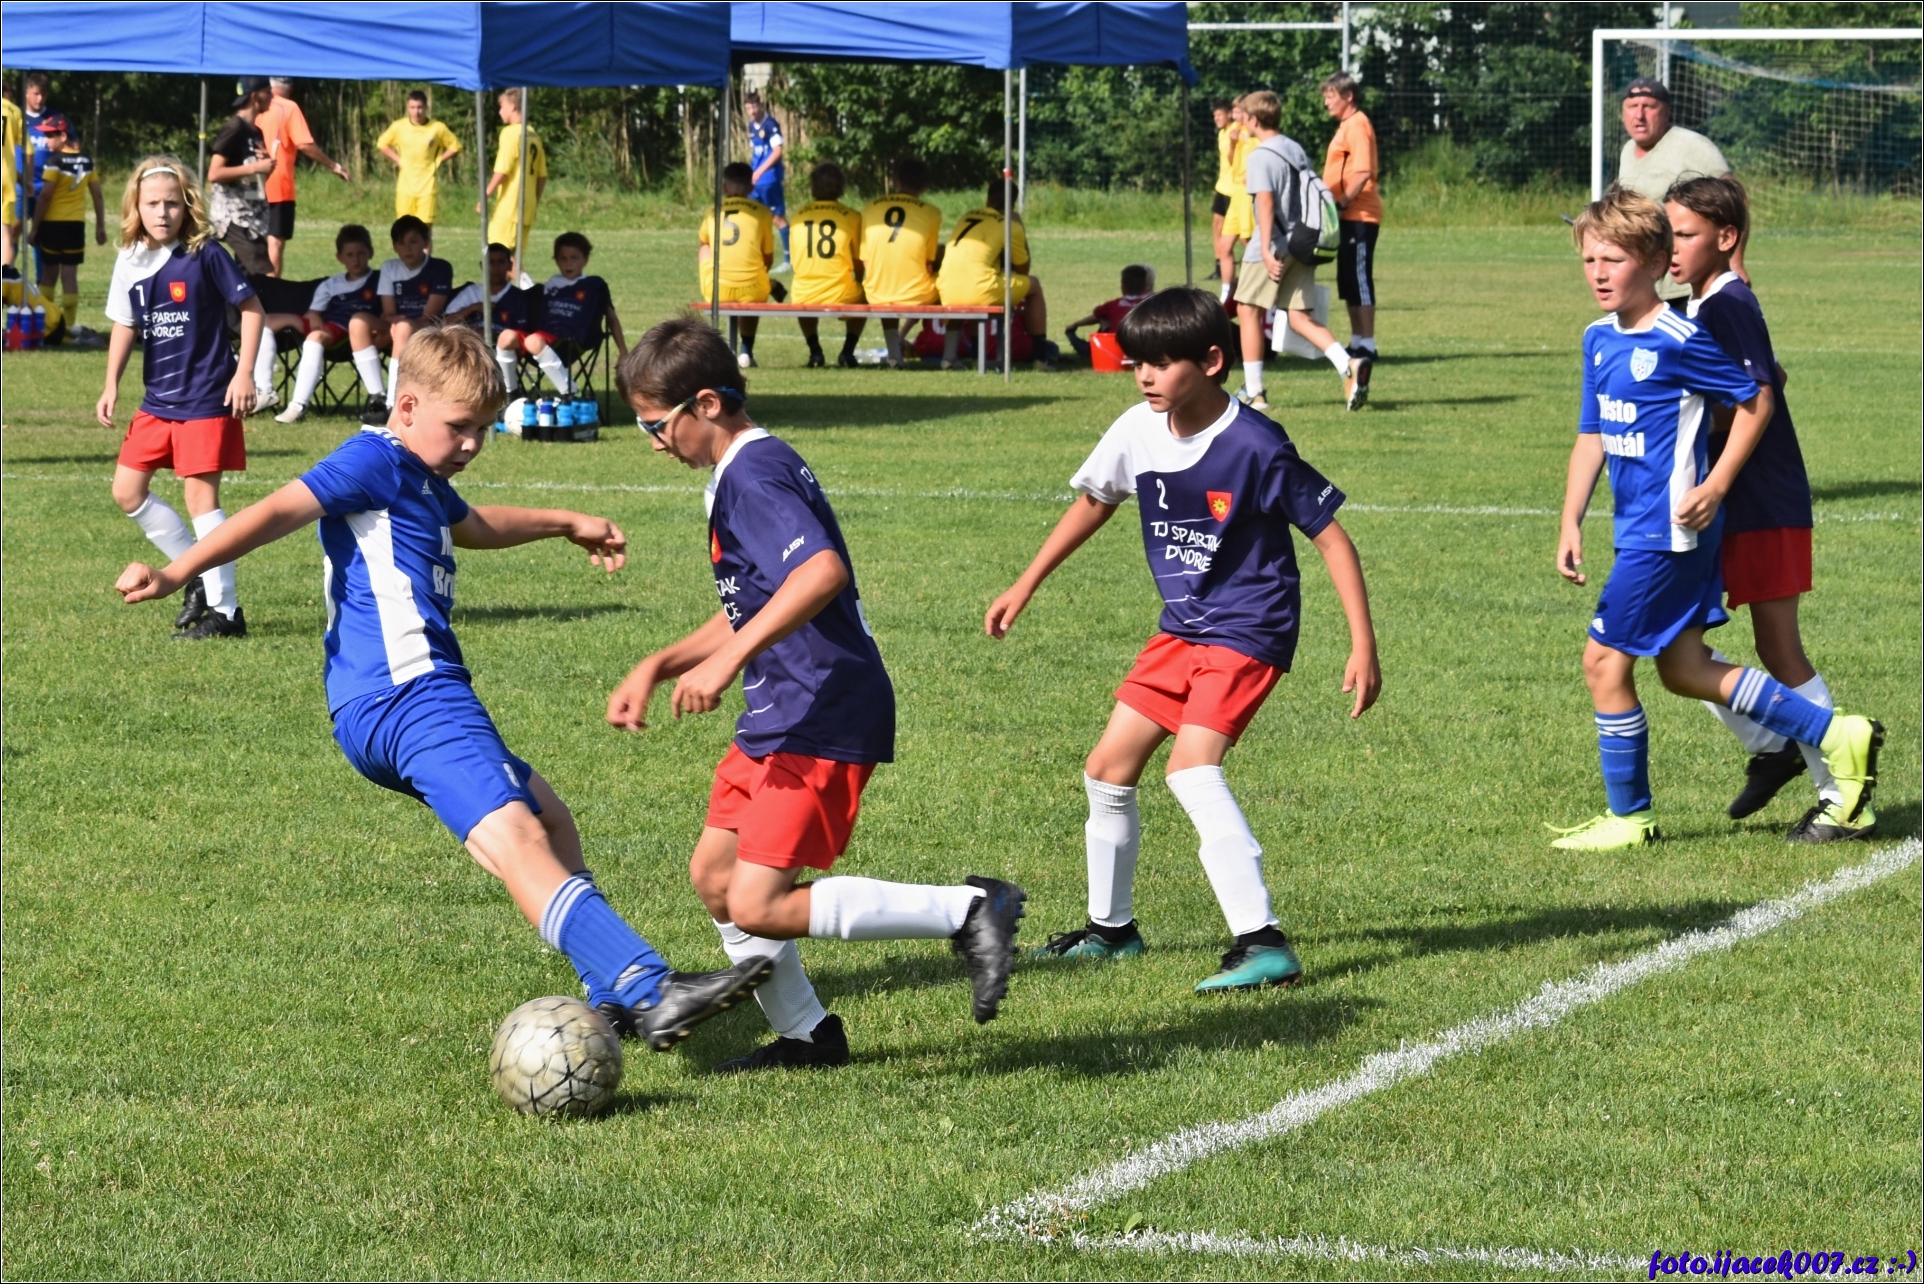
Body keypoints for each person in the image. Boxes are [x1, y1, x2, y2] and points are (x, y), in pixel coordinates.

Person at [114, 324, 774, 1046]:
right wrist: (176, 573)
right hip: (409, 693)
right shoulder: (372, 458)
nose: (471, 444)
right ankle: (647, 986)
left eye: (483, 430)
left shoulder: (419, 478)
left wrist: (566, 523)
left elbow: (474, 525)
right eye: (459, 427)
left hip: (385, 705)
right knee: (520, 833)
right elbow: (276, 510)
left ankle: (609, 991)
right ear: (406, 408)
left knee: (549, 819)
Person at [606, 317, 1028, 1071]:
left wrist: (727, 662)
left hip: (823, 704)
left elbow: (820, 573)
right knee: (716, 877)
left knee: (758, 902)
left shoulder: (753, 474)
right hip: (782, 704)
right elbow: (756, 600)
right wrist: (663, 662)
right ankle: (808, 1034)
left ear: (706, 404)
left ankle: (970, 910)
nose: (654, 443)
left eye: (655, 425)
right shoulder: (737, 472)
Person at [986, 287, 1379, 991]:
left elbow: (1332, 539)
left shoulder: (1256, 444)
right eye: (1137, 362)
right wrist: (1026, 582)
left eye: (1162, 364)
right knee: (1107, 770)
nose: (1145, 376)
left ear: (1212, 362)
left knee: (1192, 770)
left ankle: (1263, 943)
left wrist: (1363, 644)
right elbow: (1096, 501)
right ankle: (1111, 933)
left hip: (1249, 626)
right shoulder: (1137, 428)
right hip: (1184, 627)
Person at [1548, 186, 1880, 851]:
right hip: (1637, 529)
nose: (1599, 274)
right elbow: (1592, 433)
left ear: (1653, 261)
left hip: (1669, 534)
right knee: (1683, 668)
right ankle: (1832, 734)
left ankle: (1631, 818)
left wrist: (1716, 482)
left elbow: (1758, 398)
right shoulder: (1597, 339)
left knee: (1603, 663)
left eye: (1613, 259)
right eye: (1589, 261)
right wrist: (1570, 518)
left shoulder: (1679, 337)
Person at [1664, 176, 1861, 842]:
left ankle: (1842, 794)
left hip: (1761, 500)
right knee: (1674, 638)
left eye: (1685, 234)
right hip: (1721, 505)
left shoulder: (1729, 303)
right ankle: (1772, 742)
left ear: (1726, 238)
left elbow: (1757, 394)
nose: (1671, 247)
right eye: (1667, 233)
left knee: (1778, 647)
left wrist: (1700, 447)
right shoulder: (1700, 303)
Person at [97, 156, 265, 641]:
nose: (163, 212)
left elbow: (252, 309)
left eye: (172, 203)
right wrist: (111, 384)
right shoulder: (130, 259)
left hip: (207, 397)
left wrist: (245, 373)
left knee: (200, 498)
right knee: (127, 491)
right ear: (136, 207)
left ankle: (227, 613)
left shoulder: (205, 253)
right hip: (158, 401)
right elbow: (125, 323)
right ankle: (195, 574)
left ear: (187, 204)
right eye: (152, 203)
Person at [1234, 90, 1358, 413]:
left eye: (1244, 116)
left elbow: (1265, 202)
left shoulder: (1260, 156)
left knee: (1248, 309)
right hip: (1302, 240)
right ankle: (1348, 365)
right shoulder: (1294, 148)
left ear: (1254, 119)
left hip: (1274, 243)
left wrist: (1264, 248)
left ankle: (1254, 392)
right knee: (1299, 316)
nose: (1241, 120)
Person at [1616, 77, 1742, 303]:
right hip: (1646, 282)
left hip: (1687, 285)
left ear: (1667, 112)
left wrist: (1735, 260)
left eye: (1649, 107)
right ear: (1623, 113)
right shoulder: (1627, 150)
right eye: (1633, 106)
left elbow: (1736, 197)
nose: (1639, 115)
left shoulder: (1691, 145)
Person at [934, 180, 1054, 371]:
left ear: (988, 198)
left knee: (973, 285)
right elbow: (1023, 269)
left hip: (946, 287)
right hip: (979, 290)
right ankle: (1040, 356)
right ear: (1012, 204)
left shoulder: (967, 216)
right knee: (1034, 285)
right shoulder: (1009, 225)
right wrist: (1019, 227)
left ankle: (958, 357)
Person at [273, 224, 385, 424]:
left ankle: (380, 399)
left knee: (331, 331)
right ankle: (292, 403)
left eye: (361, 253)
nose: (356, 259)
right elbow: (314, 312)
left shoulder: (380, 280)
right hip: (335, 330)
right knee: (304, 333)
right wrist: (315, 316)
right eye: (350, 255)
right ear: (339, 257)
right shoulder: (331, 284)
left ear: (371, 253)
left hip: (365, 335)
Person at [256, 78, 351, 277]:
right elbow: (304, 144)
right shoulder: (288, 108)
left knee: (254, 241)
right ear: (290, 87)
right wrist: (334, 166)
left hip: (252, 182)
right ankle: (270, 290)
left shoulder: (256, 104)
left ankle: (252, 288)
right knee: (275, 241)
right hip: (278, 183)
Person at [1321, 72, 1379, 386]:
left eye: (1331, 96)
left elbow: (1362, 171)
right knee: (1347, 279)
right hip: (1345, 216)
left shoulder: (1357, 124)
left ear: (1348, 96)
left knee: (1359, 277)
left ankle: (1368, 342)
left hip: (1359, 214)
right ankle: (1357, 340)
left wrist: (1342, 203)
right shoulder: (1346, 126)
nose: (1326, 102)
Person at [368, 214, 453, 424]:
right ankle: (377, 396)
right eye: (401, 243)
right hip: (396, 326)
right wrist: (395, 324)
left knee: (404, 328)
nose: (408, 248)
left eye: (413, 242)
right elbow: (388, 312)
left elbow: (429, 316)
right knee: (358, 323)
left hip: (428, 329)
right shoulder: (389, 267)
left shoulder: (440, 268)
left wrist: (399, 325)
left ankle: (391, 404)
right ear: (394, 246)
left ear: (426, 242)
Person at [859, 157, 942, 369]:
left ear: (896, 180)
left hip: (876, 293)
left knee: (887, 288)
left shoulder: (870, 208)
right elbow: (929, 262)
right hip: (916, 294)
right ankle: (950, 354)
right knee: (947, 284)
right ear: (926, 186)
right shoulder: (932, 213)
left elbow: (865, 260)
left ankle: (894, 353)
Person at [522, 230, 626, 397]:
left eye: (574, 258)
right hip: (543, 338)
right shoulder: (550, 285)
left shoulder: (594, 286)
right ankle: (509, 395)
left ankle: (571, 393)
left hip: (571, 342)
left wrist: (623, 351)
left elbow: (611, 318)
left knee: (533, 340)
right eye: (563, 259)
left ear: (585, 259)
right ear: (556, 261)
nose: (568, 263)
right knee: (506, 338)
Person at [28, 113, 105, 335]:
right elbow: (97, 195)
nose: (46, 141)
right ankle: (69, 326)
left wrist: (35, 227)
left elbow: (45, 196)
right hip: (75, 226)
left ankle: (46, 324)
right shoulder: (87, 161)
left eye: (50, 136)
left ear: (63, 136)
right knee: (70, 276)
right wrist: (100, 225)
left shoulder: (54, 163)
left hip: (53, 224)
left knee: (49, 275)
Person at [699, 162, 775, 370]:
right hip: (753, 289)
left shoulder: (713, 211)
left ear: (724, 187)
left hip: (717, 289)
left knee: (705, 246)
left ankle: (718, 350)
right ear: (751, 187)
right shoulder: (762, 213)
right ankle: (746, 351)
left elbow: (703, 241)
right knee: (756, 273)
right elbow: (768, 257)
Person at [789, 161, 865, 368]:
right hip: (841, 293)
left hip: (804, 292)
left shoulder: (798, 216)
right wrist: (860, 282)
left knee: (803, 296)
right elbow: (859, 260)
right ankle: (847, 352)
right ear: (841, 187)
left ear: (813, 187)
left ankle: (815, 352)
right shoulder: (852, 217)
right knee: (866, 295)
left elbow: (795, 261)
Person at [206, 78, 276, 276]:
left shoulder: (255, 131)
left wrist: (266, 165)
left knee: (246, 278)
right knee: (264, 272)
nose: (272, 96)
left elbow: (255, 174)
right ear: (255, 96)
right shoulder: (234, 128)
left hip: (253, 215)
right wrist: (255, 167)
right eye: (268, 91)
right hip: (234, 216)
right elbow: (214, 173)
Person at [481, 89, 546, 274]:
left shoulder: (510, 133)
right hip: (526, 207)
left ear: (512, 106)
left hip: (510, 207)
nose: (500, 111)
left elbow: (503, 170)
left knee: (496, 256)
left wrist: (485, 196)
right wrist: (533, 201)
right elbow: (542, 176)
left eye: (502, 107)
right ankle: (522, 289)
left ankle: (528, 289)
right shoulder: (533, 134)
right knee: (511, 259)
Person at [377, 90, 462, 231]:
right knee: (403, 229)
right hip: (405, 187)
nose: (416, 112)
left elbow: (455, 146)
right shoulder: (399, 127)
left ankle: (425, 247)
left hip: (427, 186)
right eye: (412, 107)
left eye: (420, 107)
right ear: (407, 108)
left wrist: (439, 160)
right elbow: (382, 144)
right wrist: (398, 160)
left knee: (424, 230)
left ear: (426, 107)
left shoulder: (437, 128)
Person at [1063, 263, 1152, 364]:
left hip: (1116, 350)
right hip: (1146, 347)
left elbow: (1096, 316)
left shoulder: (1112, 305)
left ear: (1123, 287)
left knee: (1103, 319)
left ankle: (1089, 350)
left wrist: (1075, 324)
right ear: (1146, 285)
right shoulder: (1154, 302)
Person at [743, 91, 790, 274]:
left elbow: (777, 151)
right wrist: (751, 172)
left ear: (761, 106)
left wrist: (760, 171)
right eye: (748, 108)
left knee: (776, 218)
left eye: (754, 107)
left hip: (769, 179)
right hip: (754, 181)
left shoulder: (771, 125)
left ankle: (788, 260)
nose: (752, 111)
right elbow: (756, 153)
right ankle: (754, 258)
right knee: (753, 217)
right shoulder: (751, 126)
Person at [1207, 100, 1239, 283]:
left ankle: (1263, 260)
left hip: (1234, 189)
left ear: (1229, 114)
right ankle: (1219, 266)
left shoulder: (1237, 131)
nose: (1216, 118)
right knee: (1217, 225)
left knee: (1241, 234)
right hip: (1222, 187)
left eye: (1219, 114)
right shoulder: (1222, 133)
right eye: (1214, 115)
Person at [2, 83, 23, 271]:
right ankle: (4, 281)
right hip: (6, 178)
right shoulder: (14, 111)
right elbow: (27, 151)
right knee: (5, 235)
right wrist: (27, 180)